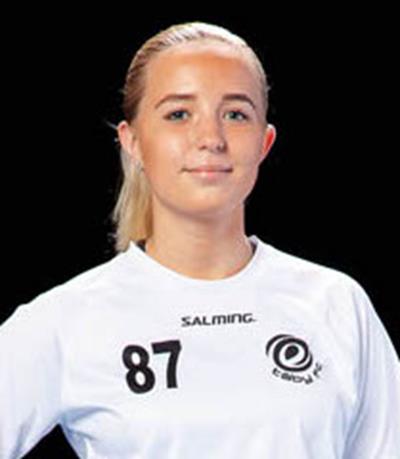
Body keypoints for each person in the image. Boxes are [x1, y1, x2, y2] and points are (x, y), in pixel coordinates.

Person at [0, 20, 399, 459]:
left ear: (264, 142)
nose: (210, 139)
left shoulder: (337, 305)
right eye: (178, 114)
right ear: (132, 141)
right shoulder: (69, 319)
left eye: (235, 114)